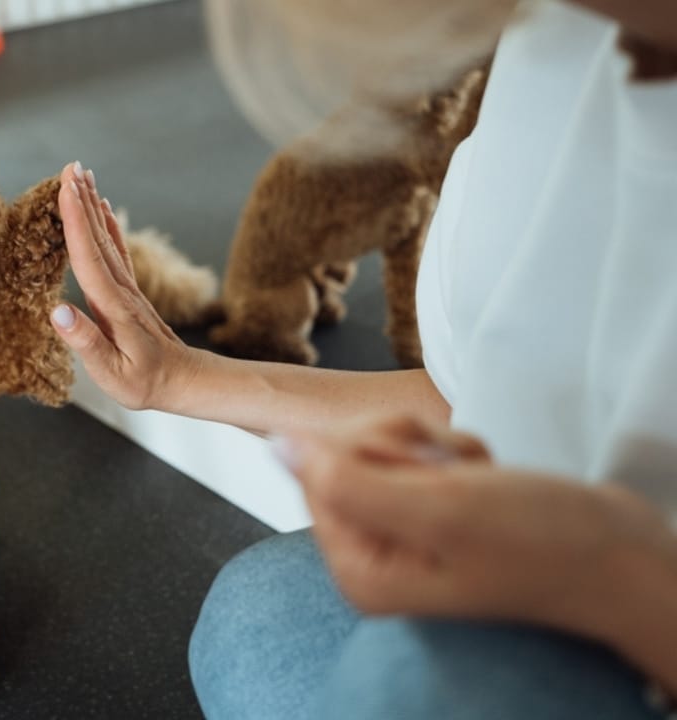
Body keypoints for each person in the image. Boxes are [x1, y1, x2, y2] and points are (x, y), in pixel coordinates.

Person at [48, 1, 677, 717]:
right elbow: (474, 398)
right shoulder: (542, 55)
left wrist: (615, 580)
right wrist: (180, 378)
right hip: (568, 553)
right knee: (255, 615)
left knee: (397, 678)